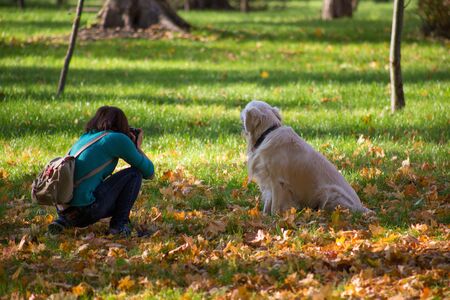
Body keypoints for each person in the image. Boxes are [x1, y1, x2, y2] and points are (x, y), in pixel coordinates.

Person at [48, 106, 154, 236]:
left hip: (63, 209)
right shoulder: (117, 138)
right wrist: (136, 147)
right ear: (121, 125)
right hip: (86, 211)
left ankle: (63, 221)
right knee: (134, 174)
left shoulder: (86, 137)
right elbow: (149, 172)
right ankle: (118, 226)